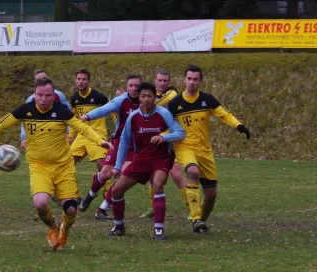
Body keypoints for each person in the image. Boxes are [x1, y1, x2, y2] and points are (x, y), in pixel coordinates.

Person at [0, 77, 113, 250]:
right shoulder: (26, 110)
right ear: (34, 94)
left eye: (47, 95)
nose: (44, 99)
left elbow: (83, 127)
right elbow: (1, 124)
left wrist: (100, 141)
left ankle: (64, 230)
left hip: (64, 167)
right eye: (40, 95)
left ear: (53, 95)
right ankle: (52, 227)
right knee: (40, 204)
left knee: (70, 210)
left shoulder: (62, 111)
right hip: (39, 166)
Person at [167, 65, 251, 233]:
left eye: (195, 79)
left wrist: (239, 125)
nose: (191, 82)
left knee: (211, 195)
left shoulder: (208, 100)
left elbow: (224, 114)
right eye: (189, 79)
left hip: (204, 151)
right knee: (193, 173)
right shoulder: (175, 104)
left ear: (200, 81)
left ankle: (199, 222)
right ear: (184, 80)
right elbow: (165, 125)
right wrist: (160, 138)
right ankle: (196, 217)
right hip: (184, 147)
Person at [107, 82, 186, 240]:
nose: (146, 99)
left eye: (150, 96)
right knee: (115, 190)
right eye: (143, 96)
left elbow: (180, 132)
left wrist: (164, 137)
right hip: (141, 159)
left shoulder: (163, 113)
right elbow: (124, 141)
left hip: (161, 158)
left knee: (157, 184)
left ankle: (159, 230)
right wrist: (117, 166)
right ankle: (119, 227)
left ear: (155, 97)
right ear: (139, 98)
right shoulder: (133, 117)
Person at [78, 74, 141, 220]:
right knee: (106, 173)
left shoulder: (146, 100)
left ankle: (102, 208)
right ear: (126, 86)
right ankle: (90, 195)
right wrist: (87, 116)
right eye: (130, 85)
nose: (133, 88)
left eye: (136, 86)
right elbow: (104, 109)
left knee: (123, 178)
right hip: (118, 142)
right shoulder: (121, 100)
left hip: (135, 146)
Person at [139, 68, 190, 219]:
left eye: (165, 81)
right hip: (155, 139)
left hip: (171, 139)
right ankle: (153, 208)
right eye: (159, 80)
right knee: (152, 176)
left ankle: (192, 209)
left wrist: (141, 103)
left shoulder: (171, 93)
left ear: (169, 82)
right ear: (155, 80)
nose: (162, 83)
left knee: (176, 175)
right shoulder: (151, 97)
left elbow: (158, 104)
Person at [70, 69, 112, 171]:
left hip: (97, 134)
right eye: (79, 79)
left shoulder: (98, 96)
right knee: (68, 162)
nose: (81, 81)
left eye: (84, 79)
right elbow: (74, 117)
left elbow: (112, 109)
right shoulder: (74, 98)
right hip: (82, 134)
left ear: (89, 82)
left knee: (101, 165)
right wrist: (71, 134)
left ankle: (107, 187)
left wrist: (119, 126)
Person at [19, 69, 70, 150]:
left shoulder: (58, 95)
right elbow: (24, 120)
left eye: (44, 78)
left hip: (58, 137)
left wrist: (68, 133)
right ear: (34, 83)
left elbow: (69, 115)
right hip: (39, 138)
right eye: (39, 80)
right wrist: (23, 138)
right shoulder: (30, 99)